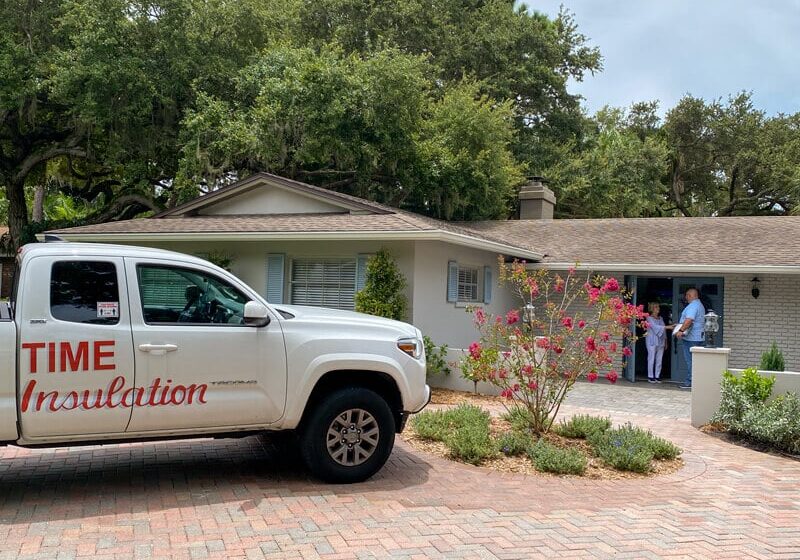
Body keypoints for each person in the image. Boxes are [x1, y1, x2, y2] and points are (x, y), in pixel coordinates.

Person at [675, 288, 705, 389]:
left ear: (691, 295)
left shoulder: (693, 306)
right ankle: (696, 382)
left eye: (687, 295)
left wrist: (681, 330)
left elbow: (689, 320)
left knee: (691, 361)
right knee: (696, 361)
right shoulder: (700, 305)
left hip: (691, 338)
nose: (686, 298)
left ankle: (690, 383)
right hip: (698, 337)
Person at [645, 302, 667, 383]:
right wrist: (667, 327)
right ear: (652, 309)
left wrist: (666, 341)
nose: (658, 308)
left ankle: (657, 376)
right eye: (656, 307)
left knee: (659, 359)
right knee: (651, 358)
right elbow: (655, 327)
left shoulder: (660, 318)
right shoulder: (649, 318)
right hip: (652, 341)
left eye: (658, 307)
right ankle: (650, 376)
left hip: (661, 341)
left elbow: (663, 331)